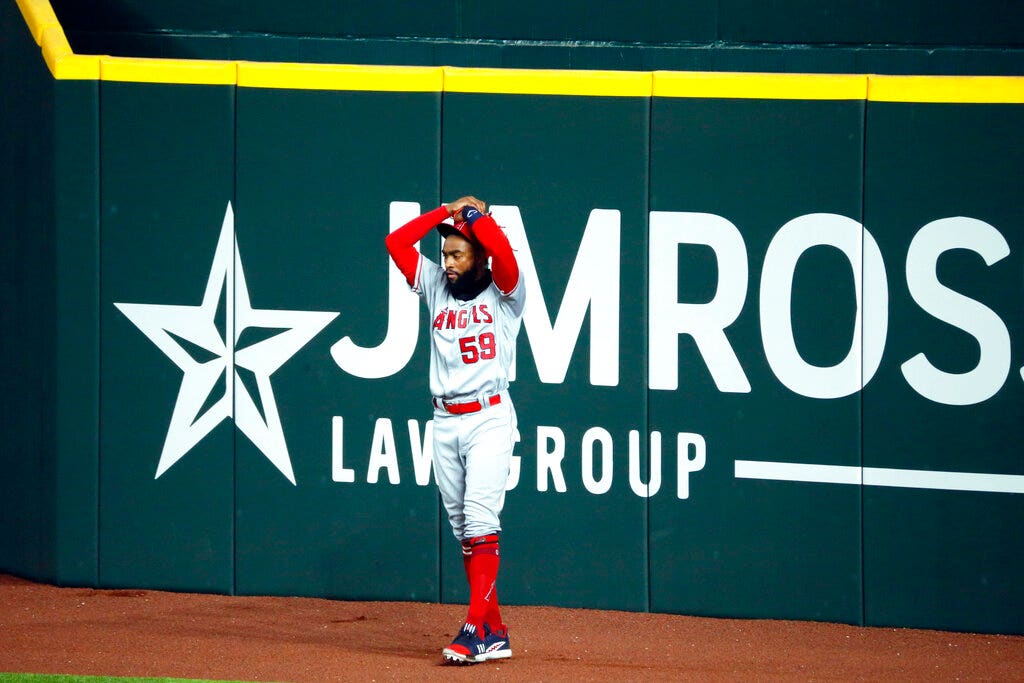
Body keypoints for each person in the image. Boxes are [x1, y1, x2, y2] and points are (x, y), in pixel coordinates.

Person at [385, 195, 526, 665]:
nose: (445, 262)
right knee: (465, 530)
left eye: (456, 253)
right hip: (444, 419)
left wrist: (472, 217)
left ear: (478, 254)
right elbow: (396, 241)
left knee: (482, 521)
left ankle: (473, 628)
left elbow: (502, 254)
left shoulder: (506, 291)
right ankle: (494, 629)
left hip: (488, 416)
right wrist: (445, 213)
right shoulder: (433, 285)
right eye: (444, 253)